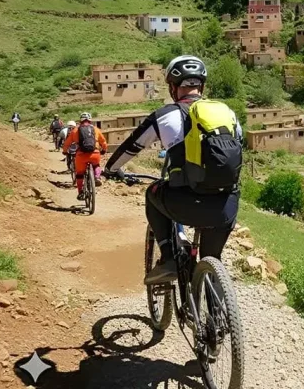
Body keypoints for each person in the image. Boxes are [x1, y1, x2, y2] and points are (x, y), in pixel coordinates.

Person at [105, 55, 243, 285]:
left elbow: (132, 146)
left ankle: (169, 258)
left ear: (172, 87)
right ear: (202, 85)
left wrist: (111, 169)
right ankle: (217, 310)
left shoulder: (165, 115)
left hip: (185, 202)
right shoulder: (227, 114)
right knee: (211, 258)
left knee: (152, 193)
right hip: (225, 205)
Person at [62, 113, 107, 201]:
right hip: (95, 153)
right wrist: (104, 150)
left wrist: (64, 151)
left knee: (79, 174)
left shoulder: (75, 130)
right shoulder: (96, 129)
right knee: (96, 165)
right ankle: (97, 177)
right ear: (90, 120)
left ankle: (80, 192)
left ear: (81, 120)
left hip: (81, 155)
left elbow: (67, 143)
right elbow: (103, 142)